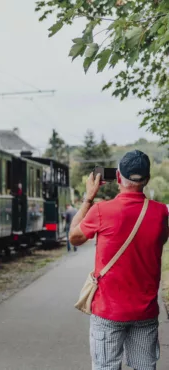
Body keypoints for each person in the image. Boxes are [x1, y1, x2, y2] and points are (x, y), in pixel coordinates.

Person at [69, 150, 169, 370]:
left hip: (108, 312)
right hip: (145, 312)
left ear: (118, 176)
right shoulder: (161, 213)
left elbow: (74, 237)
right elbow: (159, 242)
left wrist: (88, 198)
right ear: (148, 179)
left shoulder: (101, 210)